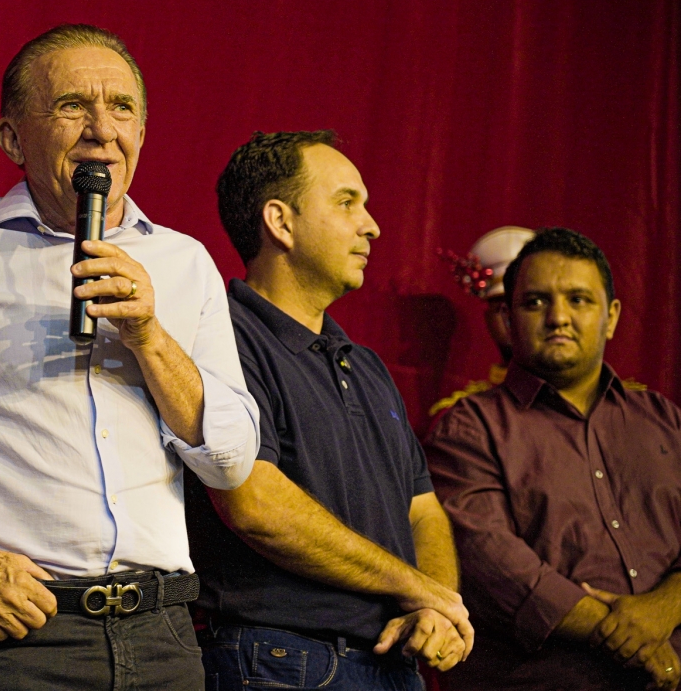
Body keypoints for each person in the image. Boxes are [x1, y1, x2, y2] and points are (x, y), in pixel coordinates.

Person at [0, 24, 259, 690]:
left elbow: (231, 458)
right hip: (20, 637)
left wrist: (149, 336)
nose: (101, 131)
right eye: (71, 106)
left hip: (165, 638)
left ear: (142, 132)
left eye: (121, 108)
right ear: (12, 139)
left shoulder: (185, 263)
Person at [187, 130, 473, 690]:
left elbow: (422, 511)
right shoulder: (221, 339)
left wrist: (436, 605)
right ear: (280, 222)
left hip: (392, 663)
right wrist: (415, 586)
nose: (372, 226)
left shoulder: (366, 366)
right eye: (347, 203)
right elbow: (255, 504)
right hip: (281, 661)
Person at [425, 227, 681, 691]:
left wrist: (665, 608)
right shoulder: (468, 427)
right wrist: (630, 635)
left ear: (611, 317)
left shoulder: (665, 420)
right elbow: (492, 564)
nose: (558, 317)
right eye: (536, 302)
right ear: (508, 318)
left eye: (579, 300)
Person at [428, 226, 536, 420]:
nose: (511, 317)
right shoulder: (463, 415)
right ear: (487, 320)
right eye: (500, 308)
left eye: (529, 304)